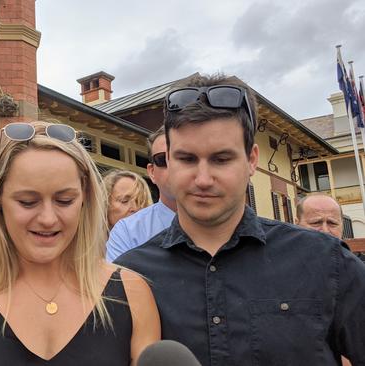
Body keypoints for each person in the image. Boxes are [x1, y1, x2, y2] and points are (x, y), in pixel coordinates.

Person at [114, 74, 365, 365]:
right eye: (187, 159)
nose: (203, 179)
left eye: (221, 159)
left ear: (251, 159)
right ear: (168, 161)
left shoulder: (325, 261)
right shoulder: (130, 277)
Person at [0, 121, 161, 365]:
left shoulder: (133, 294)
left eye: (64, 200)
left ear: (86, 197)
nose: (48, 219)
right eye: (27, 201)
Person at [106, 127, 176, 261]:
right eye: (162, 160)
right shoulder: (127, 232)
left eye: (186, 158)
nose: (174, 166)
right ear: (151, 172)